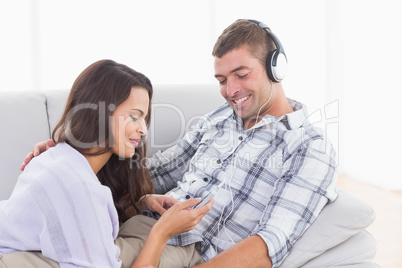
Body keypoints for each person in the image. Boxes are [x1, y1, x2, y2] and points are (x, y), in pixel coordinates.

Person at [21, 19, 337, 268]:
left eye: (241, 74)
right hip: (143, 229)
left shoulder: (309, 147)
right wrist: (74, 158)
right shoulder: (218, 120)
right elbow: (152, 173)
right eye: (222, 80)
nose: (230, 90)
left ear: (274, 68)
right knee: (33, 239)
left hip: (184, 252)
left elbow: (268, 246)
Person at [0, 59, 212, 268]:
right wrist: (162, 232)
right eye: (134, 117)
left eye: (144, 119)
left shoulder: (61, 159)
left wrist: (143, 201)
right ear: (99, 113)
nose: (143, 130)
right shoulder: (77, 186)